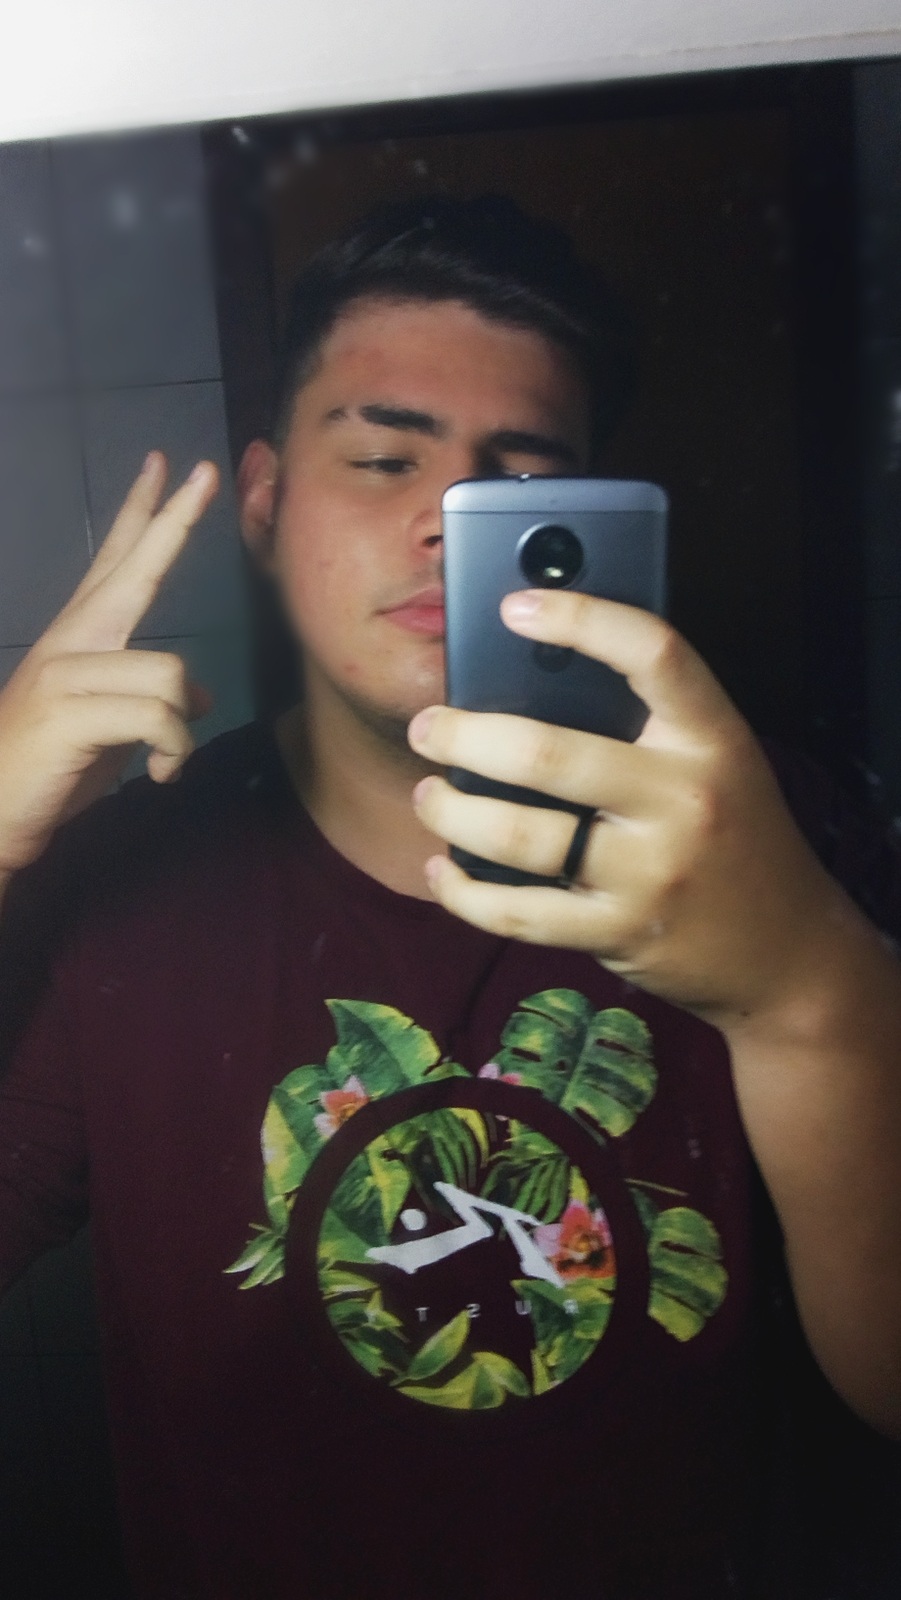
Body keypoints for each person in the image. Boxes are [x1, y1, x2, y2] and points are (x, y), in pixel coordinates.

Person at [0, 196, 899, 1600]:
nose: (444, 521)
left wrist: (804, 994)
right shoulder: (125, 880)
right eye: (382, 459)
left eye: (519, 481)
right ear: (264, 503)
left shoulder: (775, 839)